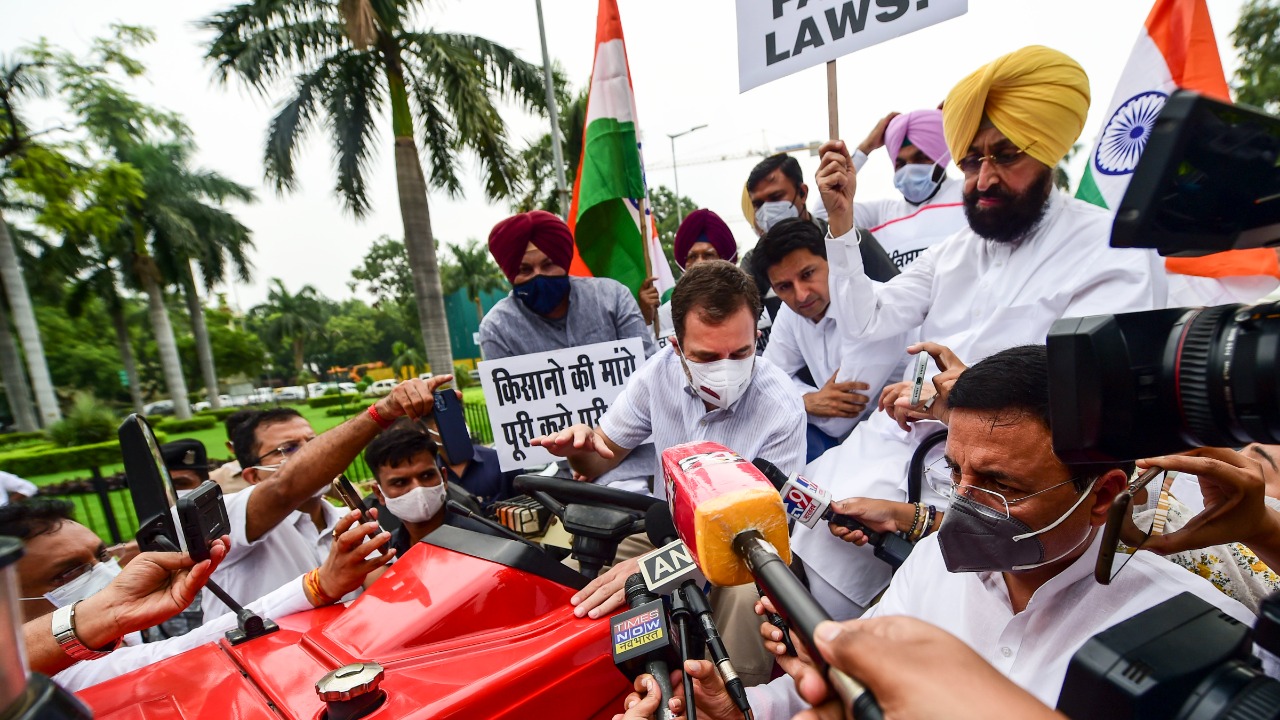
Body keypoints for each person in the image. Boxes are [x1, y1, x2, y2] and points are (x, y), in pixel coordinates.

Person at [675, 345, 1259, 719]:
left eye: (999, 482)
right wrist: (742, 708)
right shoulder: (932, 564)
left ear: (1101, 495)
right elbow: (846, 689)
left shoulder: (1197, 635)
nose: (963, 502)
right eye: (955, 473)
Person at [793, 45, 1168, 620]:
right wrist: (841, 228)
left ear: (1046, 153)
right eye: (970, 162)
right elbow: (869, 319)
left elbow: (1098, 410)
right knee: (781, 558)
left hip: (994, 492)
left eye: (1005, 157)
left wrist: (960, 400)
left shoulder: (1109, 252)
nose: (983, 178)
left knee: (871, 634)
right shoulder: (953, 255)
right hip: (889, 453)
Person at [531, 260, 806, 686]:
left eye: (740, 354)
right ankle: (594, 684)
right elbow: (599, 458)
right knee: (576, 587)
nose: (726, 369)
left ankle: (737, 703)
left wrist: (655, 567)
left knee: (746, 595)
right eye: (707, 357)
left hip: (743, 550)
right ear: (676, 348)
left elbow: (759, 534)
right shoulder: (656, 374)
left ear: (758, 337)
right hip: (666, 529)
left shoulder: (782, 408)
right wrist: (579, 451)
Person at [201, 377, 447, 621]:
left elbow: (389, 590)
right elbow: (283, 488)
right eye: (289, 449)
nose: (312, 453)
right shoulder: (229, 521)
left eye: (313, 442)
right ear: (253, 475)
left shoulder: (350, 520)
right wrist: (381, 413)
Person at [479, 209, 656, 493]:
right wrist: (577, 460)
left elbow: (650, 380)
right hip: (566, 479)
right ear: (510, 273)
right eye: (525, 270)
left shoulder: (612, 297)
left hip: (643, 458)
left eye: (548, 265)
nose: (539, 276)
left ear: (563, 261)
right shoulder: (497, 329)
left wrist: (601, 456)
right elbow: (517, 421)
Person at [754, 218, 907, 461]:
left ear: (832, 261)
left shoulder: (874, 305)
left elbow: (837, 419)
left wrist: (792, 401)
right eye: (784, 286)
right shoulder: (789, 312)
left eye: (807, 274)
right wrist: (807, 401)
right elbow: (766, 384)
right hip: (850, 446)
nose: (801, 295)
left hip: (902, 442)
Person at [363, 421, 505, 564]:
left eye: (426, 476)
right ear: (379, 494)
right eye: (400, 482)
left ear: (443, 478)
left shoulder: (490, 542)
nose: (417, 488)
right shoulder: (390, 553)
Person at [851, 109, 967, 270]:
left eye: (919, 159)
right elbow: (825, 216)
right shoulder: (881, 216)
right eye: (900, 164)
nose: (909, 169)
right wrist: (865, 149)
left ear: (941, 157)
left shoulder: (968, 195)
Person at [640, 209, 737, 345]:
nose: (699, 263)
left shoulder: (741, 304)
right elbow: (651, 355)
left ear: (724, 260)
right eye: (692, 257)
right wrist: (647, 319)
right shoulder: (669, 313)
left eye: (708, 255)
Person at [422, 418, 516, 512]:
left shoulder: (498, 460)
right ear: (428, 434)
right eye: (441, 424)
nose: (453, 427)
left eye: (458, 419)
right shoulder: (430, 476)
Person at [208, 409, 255, 495]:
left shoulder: (284, 471)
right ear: (231, 446)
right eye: (245, 442)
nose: (254, 448)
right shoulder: (214, 481)